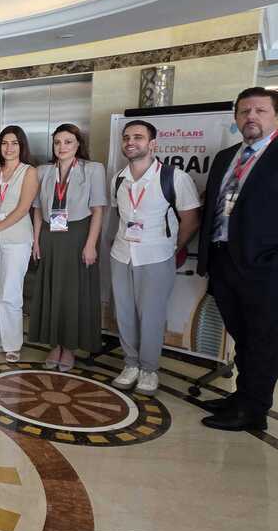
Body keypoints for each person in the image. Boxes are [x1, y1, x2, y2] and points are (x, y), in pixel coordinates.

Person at [197, 87, 278, 432]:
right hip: (224, 260)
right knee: (242, 335)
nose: (251, 117)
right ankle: (242, 396)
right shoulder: (226, 156)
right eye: (244, 111)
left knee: (263, 339)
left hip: (265, 267)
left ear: (275, 116)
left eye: (260, 110)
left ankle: (254, 410)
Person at [109, 121, 201, 396]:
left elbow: (191, 220)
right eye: (126, 137)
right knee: (123, 313)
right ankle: (131, 364)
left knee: (151, 315)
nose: (130, 142)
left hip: (156, 256)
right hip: (121, 255)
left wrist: (172, 248)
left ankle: (149, 370)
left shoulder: (175, 178)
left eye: (138, 137)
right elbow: (119, 217)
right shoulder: (119, 179)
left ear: (152, 144)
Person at [29, 123, 107, 371]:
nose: (62, 147)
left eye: (68, 142)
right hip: (49, 236)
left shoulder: (92, 169)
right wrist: (36, 240)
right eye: (57, 142)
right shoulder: (43, 171)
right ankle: (55, 344)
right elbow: (37, 209)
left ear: (78, 144)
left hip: (78, 236)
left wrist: (91, 244)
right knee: (51, 290)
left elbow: (98, 210)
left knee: (73, 293)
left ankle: (70, 347)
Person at [0, 126, 39, 363]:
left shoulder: (29, 172)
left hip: (16, 238)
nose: (9, 148)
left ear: (22, 146)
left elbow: (23, 209)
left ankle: (13, 343)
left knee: (10, 292)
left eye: (14, 143)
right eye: (4, 143)